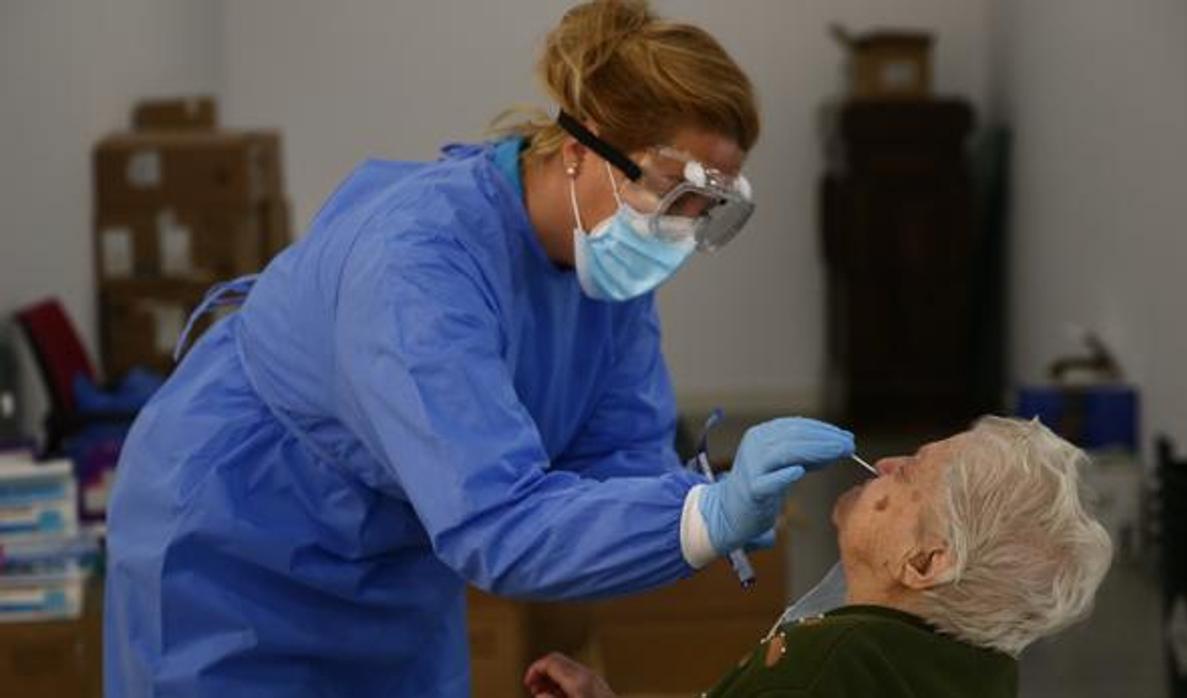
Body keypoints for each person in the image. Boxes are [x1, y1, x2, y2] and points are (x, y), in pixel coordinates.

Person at [103, 2, 857, 696]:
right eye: (675, 195)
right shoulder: (422, 264)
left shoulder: (609, 287)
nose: (685, 231)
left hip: (393, 553)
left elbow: (617, 466)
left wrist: (689, 507)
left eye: (712, 210)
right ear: (583, 146)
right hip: (238, 531)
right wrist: (704, 518)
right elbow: (498, 523)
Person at [524, 416, 1114, 698]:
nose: (885, 464)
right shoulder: (982, 670)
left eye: (909, 474)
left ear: (926, 562)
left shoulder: (831, 663)